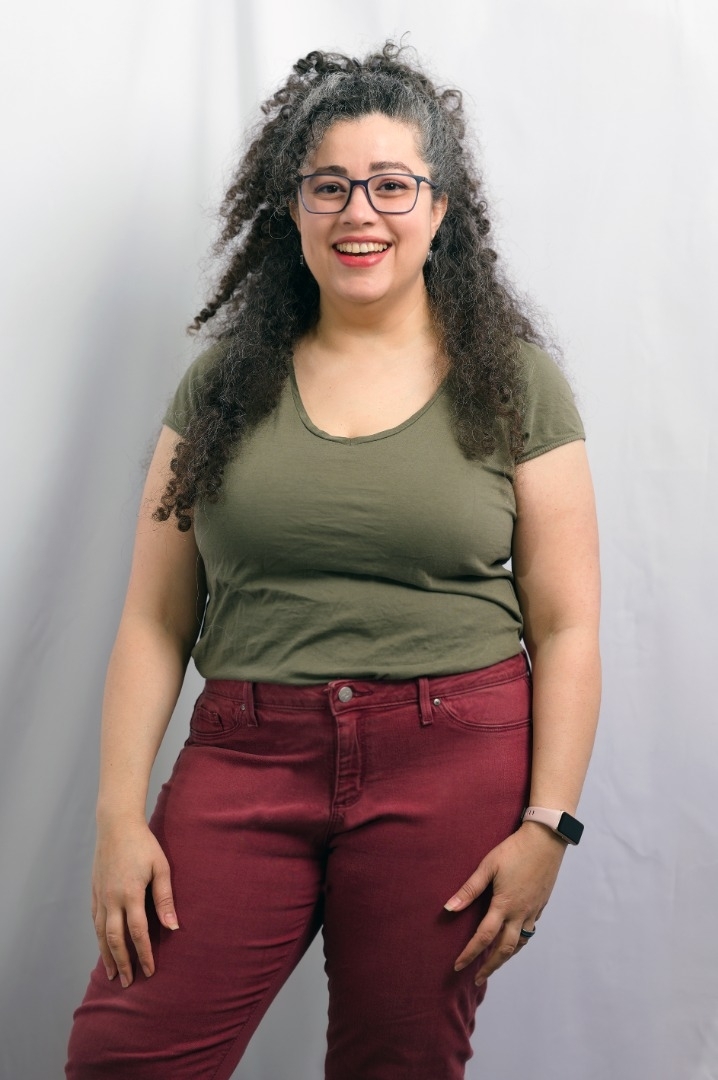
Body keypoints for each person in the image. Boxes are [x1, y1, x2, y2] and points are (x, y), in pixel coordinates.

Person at [65, 41, 601, 1080]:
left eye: (392, 184)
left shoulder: (513, 384)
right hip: (246, 758)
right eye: (330, 186)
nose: (361, 212)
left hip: (452, 759)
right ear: (293, 210)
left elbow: (568, 623)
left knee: (397, 1063)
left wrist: (549, 826)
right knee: (124, 1057)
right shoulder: (221, 389)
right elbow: (153, 621)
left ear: (440, 209)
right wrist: (118, 819)